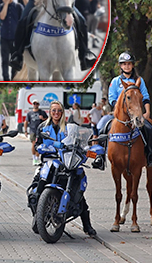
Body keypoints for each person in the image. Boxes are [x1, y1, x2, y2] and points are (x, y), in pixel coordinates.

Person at [32, 100, 96, 236]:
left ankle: (87, 225)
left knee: (78, 187)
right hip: (48, 161)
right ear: (50, 112)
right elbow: (37, 144)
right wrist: (41, 148)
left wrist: (86, 149)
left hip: (67, 162)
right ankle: (37, 217)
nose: (56, 113)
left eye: (59, 110)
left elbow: (78, 142)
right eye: (54, 110)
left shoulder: (68, 128)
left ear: (62, 113)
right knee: (36, 185)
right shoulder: (43, 127)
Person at [109, 52, 152, 166]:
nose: (127, 66)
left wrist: (147, 112)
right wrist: (118, 107)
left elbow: (145, 97)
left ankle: (150, 154)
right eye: (124, 64)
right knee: (102, 127)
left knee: (149, 128)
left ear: (132, 65)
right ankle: (100, 156)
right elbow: (111, 98)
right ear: (121, 66)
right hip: (119, 114)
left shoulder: (139, 80)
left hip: (136, 113)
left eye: (129, 64)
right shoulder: (115, 81)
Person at [0, 0, 24, 80]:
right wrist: (6, 4)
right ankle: (6, 79)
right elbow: (2, 17)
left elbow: (22, 21)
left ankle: (14, 78)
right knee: (5, 60)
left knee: (15, 60)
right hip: (4, 37)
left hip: (15, 38)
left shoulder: (18, 7)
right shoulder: (0, 7)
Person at [25, 99, 47, 166]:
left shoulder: (42, 112)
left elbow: (48, 120)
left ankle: (37, 157)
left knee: (39, 145)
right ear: (32, 105)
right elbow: (26, 122)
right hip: (32, 130)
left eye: (36, 104)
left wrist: (43, 118)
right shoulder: (29, 113)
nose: (35, 105)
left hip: (40, 130)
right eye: (34, 104)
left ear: (38, 105)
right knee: (33, 144)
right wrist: (25, 131)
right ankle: (34, 157)